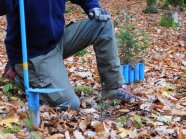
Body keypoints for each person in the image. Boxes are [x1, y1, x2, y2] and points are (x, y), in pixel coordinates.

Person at [0, 0, 136, 110]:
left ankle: (113, 89)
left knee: (102, 24)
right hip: (33, 54)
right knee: (70, 104)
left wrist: (93, 6)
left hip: (58, 40)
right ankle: (19, 75)